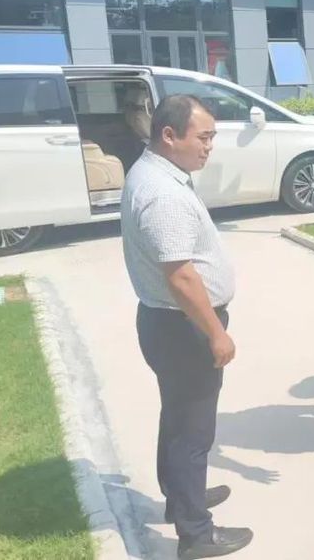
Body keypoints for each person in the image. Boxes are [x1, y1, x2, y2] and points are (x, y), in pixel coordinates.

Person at [120, 95, 253, 560]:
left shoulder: (155, 173)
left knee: (178, 418)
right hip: (185, 328)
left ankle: (182, 497)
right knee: (193, 432)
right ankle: (196, 534)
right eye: (204, 137)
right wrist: (216, 332)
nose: (210, 146)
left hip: (169, 324)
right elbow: (180, 276)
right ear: (169, 135)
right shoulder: (164, 194)